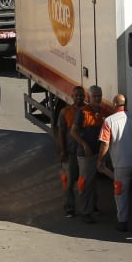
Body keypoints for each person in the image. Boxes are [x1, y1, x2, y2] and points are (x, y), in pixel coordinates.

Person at [97, 94, 132, 232]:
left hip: (122, 163)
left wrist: (100, 160)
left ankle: (122, 221)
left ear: (114, 104)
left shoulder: (109, 121)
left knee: (120, 193)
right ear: (126, 104)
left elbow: (105, 144)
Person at [71, 85, 106, 223]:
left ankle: (92, 207)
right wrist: (84, 144)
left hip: (98, 153)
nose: (97, 98)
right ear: (89, 97)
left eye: (99, 96)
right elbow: (73, 132)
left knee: (93, 182)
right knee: (85, 182)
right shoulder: (82, 112)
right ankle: (85, 212)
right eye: (95, 96)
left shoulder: (103, 112)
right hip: (86, 154)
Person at [54, 86, 86, 218]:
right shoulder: (65, 112)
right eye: (76, 95)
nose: (79, 97)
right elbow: (60, 132)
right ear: (72, 96)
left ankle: (90, 207)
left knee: (86, 182)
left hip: (85, 154)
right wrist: (62, 150)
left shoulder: (88, 111)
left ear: (85, 97)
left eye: (81, 95)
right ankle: (69, 208)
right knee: (69, 181)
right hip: (71, 152)